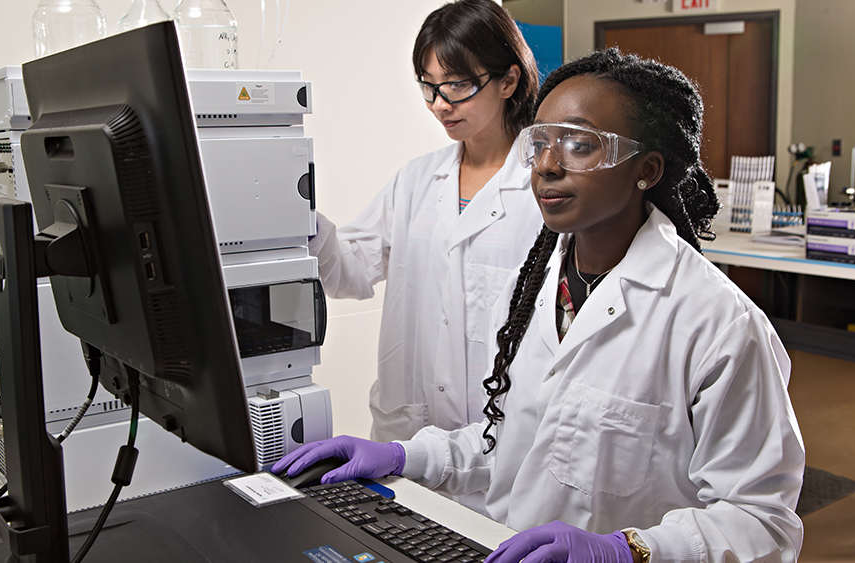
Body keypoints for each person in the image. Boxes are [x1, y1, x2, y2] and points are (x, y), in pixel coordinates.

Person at [274, 48, 805, 562]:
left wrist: (631, 550)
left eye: (579, 145)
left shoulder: (717, 323)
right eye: (541, 142)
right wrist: (404, 455)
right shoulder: (531, 291)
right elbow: (508, 447)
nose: (547, 166)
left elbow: (763, 519)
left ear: (646, 168)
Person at [311, 0, 542, 443]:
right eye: (429, 87)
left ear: (509, 80)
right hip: (409, 433)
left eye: (456, 85)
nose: (440, 105)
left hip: (499, 443)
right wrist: (298, 217)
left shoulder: (542, 187)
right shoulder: (417, 180)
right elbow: (349, 272)